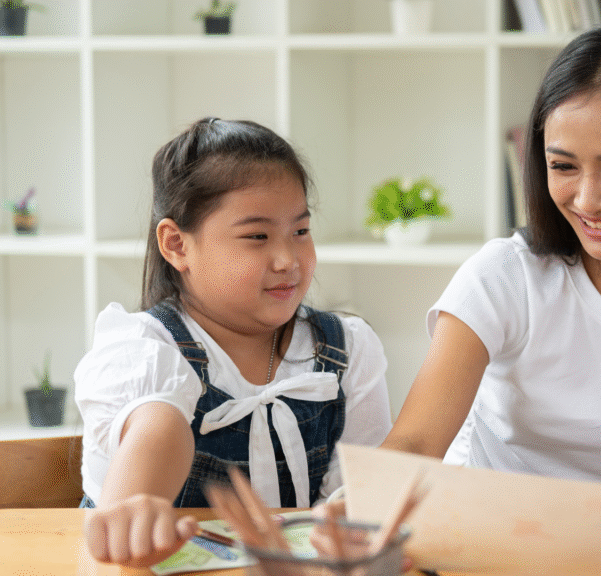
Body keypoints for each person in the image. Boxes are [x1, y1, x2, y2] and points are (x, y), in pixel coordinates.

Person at [381, 25, 601, 501]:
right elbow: (416, 441)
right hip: (489, 534)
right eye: (562, 166)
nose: (588, 199)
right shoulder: (504, 277)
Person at [74, 118, 392, 567]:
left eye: (300, 231)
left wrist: (352, 518)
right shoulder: (143, 348)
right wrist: (138, 505)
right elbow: (157, 428)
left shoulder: (347, 348)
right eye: (257, 237)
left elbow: (356, 491)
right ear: (176, 245)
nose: (288, 260)